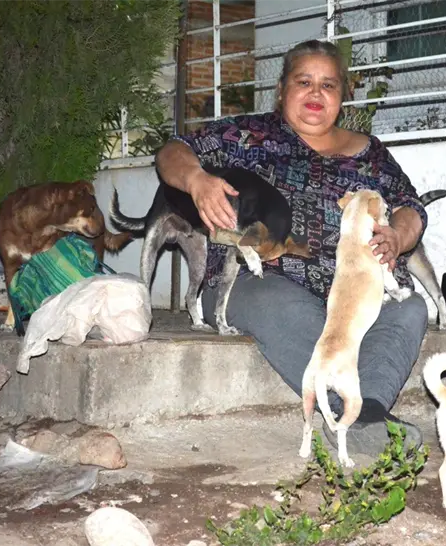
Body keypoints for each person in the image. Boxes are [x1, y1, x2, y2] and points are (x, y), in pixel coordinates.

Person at [155, 39, 429, 457]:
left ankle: (369, 410)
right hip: (253, 280)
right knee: (280, 301)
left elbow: (410, 206)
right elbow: (173, 151)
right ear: (282, 89)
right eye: (304, 82)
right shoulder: (247, 135)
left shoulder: (370, 154)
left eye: (329, 85)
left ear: (342, 95)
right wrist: (196, 180)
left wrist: (399, 236)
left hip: (351, 291)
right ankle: (347, 413)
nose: (316, 94)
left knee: (409, 308)